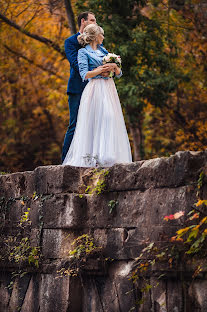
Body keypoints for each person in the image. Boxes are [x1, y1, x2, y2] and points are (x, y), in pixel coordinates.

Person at [62, 24, 132, 167]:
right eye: (102, 34)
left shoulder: (104, 51)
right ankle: (93, 158)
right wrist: (99, 70)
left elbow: (119, 74)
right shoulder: (83, 52)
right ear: (95, 36)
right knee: (98, 119)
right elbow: (84, 74)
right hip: (95, 88)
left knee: (111, 118)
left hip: (109, 89)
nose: (103, 37)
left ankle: (109, 156)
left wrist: (114, 68)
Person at [61, 11, 112, 162]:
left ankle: (91, 159)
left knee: (96, 123)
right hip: (78, 88)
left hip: (97, 89)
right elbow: (76, 65)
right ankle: (65, 161)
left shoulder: (98, 44)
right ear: (83, 21)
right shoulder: (71, 42)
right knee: (75, 124)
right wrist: (97, 73)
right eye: (92, 20)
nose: (95, 23)